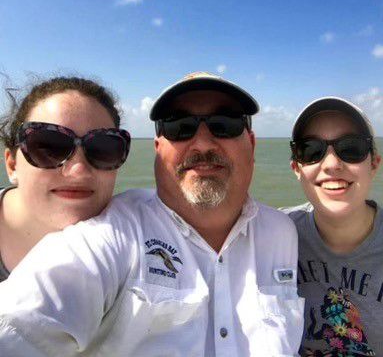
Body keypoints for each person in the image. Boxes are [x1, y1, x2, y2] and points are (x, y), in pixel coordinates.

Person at [0, 72, 304, 356]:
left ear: (251, 143)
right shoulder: (114, 234)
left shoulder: (283, 232)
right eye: (179, 127)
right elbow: (23, 321)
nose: (202, 143)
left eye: (225, 124)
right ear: (158, 149)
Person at [0, 76, 131, 280]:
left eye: (102, 148)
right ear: (12, 165)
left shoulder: (134, 240)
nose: (78, 170)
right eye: (49, 147)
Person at [284, 97, 382, 356]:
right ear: (297, 168)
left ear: (374, 163)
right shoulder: (273, 234)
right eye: (311, 150)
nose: (331, 165)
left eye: (350, 148)